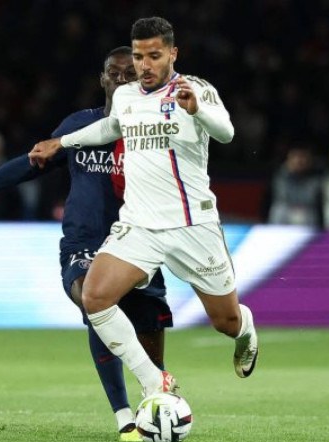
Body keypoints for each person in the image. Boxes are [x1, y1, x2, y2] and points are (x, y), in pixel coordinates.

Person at [0, 46, 172, 442]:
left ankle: (156, 402)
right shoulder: (78, 125)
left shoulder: (156, 128)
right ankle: (123, 415)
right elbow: (29, 163)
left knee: (149, 343)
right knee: (94, 300)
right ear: (103, 79)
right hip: (85, 242)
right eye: (114, 71)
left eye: (131, 70)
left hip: (139, 242)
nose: (122, 76)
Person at [29, 17, 259, 399]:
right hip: (139, 225)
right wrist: (63, 143)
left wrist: (197, 109)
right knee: (96, 297)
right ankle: (155, 382)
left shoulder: (196, 89)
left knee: (225, 320)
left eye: (154, 55)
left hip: (192, 225)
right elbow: (110, 129)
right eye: (139, 56)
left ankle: (246, 329)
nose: (144, 65)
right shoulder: (127, 96)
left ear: (172, 53)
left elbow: (226, 132)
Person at [260, 144, 324, 228]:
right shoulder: (277, 177)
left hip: (307, 216)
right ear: (288, 159)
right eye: (295, 157)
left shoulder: (317, 179)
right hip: (284, 215)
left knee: (309, 214)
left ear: (310, 160)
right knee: (279, 210)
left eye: (303, 157)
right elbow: (267, 203)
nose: (299, 161)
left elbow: (319, 205)